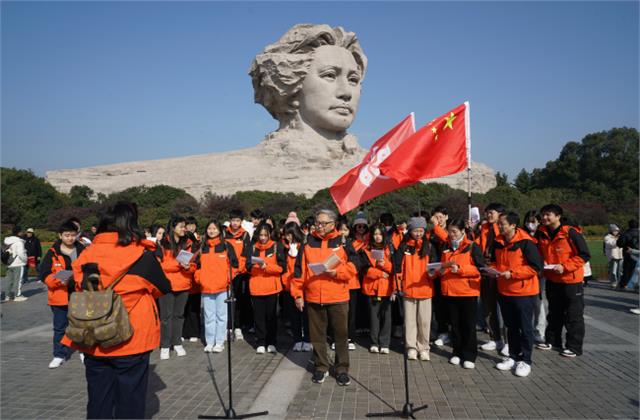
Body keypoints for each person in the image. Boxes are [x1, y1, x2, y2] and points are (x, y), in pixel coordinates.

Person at [60, 202, 171, 419]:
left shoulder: (86, 254)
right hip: (131, 336)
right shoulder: (142, 256)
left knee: (98, 400)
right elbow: (162, 288)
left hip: (93, 335)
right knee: (130, 401)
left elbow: (78, 286)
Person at [290, 209, 359, 386]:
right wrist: (298, 294)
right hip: (313, 297)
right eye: (317, 223)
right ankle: (321, 367)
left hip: (338, 296)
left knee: (341, 335)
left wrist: (337, 272)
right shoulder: (307, 241)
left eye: (323, 223)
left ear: (333, 224)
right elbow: (299, 271)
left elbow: (355, 266)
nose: (319, 226)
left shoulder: (343, 241)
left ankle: (342, 369)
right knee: (317, 335)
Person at [491, 212, 543, 377]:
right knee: (511, 326)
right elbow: (493, 261)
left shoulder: (526, 242)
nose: (499, 226)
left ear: (513, 225)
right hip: (504, 290)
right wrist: (492, 269)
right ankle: (513, 356)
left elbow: (535, 267)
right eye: (499, 224)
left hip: (523, 292)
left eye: (502, 224)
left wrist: (512, 273)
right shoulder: (498, 242)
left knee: (525, 327)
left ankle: (526, 360)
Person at [535, 204, 590, 357]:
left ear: (558, 216)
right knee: (554, 313)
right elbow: (538, 252)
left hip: (571, 280)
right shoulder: (541, 233)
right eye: (543, 214)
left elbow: (584, 255)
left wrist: (565, 267)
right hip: (552, 279)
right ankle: (552, 341)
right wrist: (542, 262)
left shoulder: (570, 233)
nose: (545, 218)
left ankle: (574, 347)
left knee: (573, 315)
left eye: (548, 215)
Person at [434, 218, 484, 369]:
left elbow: (480, 269)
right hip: (449, 291)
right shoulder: (445, 246)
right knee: (454, 325)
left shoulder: (472, 246)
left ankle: (469, 355)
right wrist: (440, 270)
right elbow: (440, 265)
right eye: (449, 231)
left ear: (463, 231)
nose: (451, 234)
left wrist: (461, 269)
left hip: (467, 292)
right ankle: (456, 352)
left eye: (454, 231)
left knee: (468, 325)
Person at [39, 221, 85, 368]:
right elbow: (44, 273)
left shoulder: (82, 249)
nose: (70, 238)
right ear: (60, 235)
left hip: (79, 293)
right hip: (59, 294)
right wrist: (58, 280)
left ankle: (84, 351)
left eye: (73, 235)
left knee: (81, 325)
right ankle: (59, 354)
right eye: (67, 235)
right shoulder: (53, 252)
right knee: (60, 327)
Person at [395, 216, 436, 362]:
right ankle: (411, 347)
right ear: (410, 231)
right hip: (408, 288)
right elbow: (398, 267)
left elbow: (434, 266)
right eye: (415, 231)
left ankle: (424, 347)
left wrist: (433, 273)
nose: (418, 233)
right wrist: (398, 285)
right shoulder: (404, 246)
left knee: (424, 321)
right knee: (410, 320)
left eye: (421, 231)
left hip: (425, 288)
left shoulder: (429, 246)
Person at [195, 220, 238, 353]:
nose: (211, 231)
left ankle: (219, 342)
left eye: (214, 228)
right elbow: (196, 266)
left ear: (220, 230)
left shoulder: (226, 246)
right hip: (206, 287)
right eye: (209, 228)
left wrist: (227, 279)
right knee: (208, 316)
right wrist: (200, 278)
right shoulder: (202, 247)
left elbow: (235, 266)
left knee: (221, 315)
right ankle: (210, 342)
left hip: (222, 287)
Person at [157, 216, 197, 360]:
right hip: (166, 285)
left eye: (184, 226)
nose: (184, 229)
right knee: (166, 317)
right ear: (173, 228)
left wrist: (187, 267)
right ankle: (165, 345)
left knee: (179, 315)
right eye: (181, 226)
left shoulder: (189, 243)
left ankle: (177, 342)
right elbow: (160, 266)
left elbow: (194, 265)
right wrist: (178, 265)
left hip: (183, 284)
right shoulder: (162, 244)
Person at [246, 223, 286, 354]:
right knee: (258, 316)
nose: (262, 238)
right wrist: (256, 267)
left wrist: (267, 267)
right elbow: (247, 266)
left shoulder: (276, 246)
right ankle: (260, 342)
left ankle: (271, 341)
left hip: (271, 287)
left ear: (269, 235)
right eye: (260, 235)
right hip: (256, 286)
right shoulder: (252, 248)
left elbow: (281, 267)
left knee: (271, 316)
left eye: (265, 235)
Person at [475, 203, 507, 354]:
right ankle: (495, 339)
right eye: (487, 212)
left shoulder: (504, 229)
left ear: (501, 213)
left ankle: (508, 342)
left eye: (491, 212)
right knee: (488, 306)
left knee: (505, 309)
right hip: (486, 269)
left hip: (501, 271)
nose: (488, 215)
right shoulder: (484, 228)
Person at [360, 223, 395, 354]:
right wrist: (380, 273)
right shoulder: (365, 249)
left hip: (387, 288)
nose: (377, 237)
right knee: (374, 316)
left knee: (387, 317)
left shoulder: (390, 249)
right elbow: (363, 269)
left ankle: (385, 343)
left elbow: (396, 269)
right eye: (375, 234)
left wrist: (385, 264)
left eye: (380, 234)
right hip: (372, 288)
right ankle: (374, 342)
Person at [282, 221, 311, 352]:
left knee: (306, 315)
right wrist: (285, 280)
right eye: (286, 234)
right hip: (289, 286)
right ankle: (297, 339)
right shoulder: (284, 248)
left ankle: (307, 339)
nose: (288, 237)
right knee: (294, 316)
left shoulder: (304, 247)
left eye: (290, 234)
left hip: (303, 286)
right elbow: (284, 268)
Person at [225, 209, 253, 340]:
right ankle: (228, 327)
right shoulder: (224, 234)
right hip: (227, 273)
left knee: (240, 301)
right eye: (233, 220)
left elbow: (246, 254)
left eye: (237, 220)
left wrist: (238, 270)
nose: (235, 223)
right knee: (227, 301)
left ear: (241, 221)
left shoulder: (245, 235)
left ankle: (238, 327)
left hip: (240, 273)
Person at [523, 210, 546, 343]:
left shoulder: (542, 235)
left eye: (533, 221)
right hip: (526, 273)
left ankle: (539, 330)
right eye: (528, 221)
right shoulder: (523, 234)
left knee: (538, 302)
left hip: (540, 273)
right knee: (526, 303)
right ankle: (528, 329)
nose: (530, 224)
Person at [430, 205, 452, 348]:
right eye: (436, 217)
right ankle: (442, 331)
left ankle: (450, 332)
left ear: (446, 217)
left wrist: (435, 227)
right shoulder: (431, 232)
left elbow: (447, 240)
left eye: (440, 217)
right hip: (434, 271)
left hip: (448, 272)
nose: (438, 220)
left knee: (449, 305)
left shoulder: (451, 230)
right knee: (438, 304)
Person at [182, 217, 202, 343]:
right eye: (187, 225)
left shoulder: (198, 244)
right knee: (183, 308)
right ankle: (184, 332)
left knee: (194, 308)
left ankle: (195, 332)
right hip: (183, 280)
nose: (190, 227)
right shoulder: (180, 245)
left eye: (192, 225)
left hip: (194, 280)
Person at [2, 226, 27, 302]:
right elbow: (21, 253)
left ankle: (7, 296)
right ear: (18, 232)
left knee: (9, 280)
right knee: (18, 280)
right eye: (21, 231)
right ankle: (17, 295)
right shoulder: (19, 242)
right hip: (18, 263)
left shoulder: (7, 241)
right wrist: (25, 260)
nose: (22, 233)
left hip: (9, 263)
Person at [617, 219, 639, 290]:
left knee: (627, 270)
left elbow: (619, 244)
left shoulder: (626, 233)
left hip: (629, 253)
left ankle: (623, 285)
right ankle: (636, 286)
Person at [604, 224, 623, 288]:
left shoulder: (619, 236)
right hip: (613, 256)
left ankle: (620, 282)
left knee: (620, 270)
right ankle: (614, 282)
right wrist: (618, 240)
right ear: (611, 231)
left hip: (620, 255)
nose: (616, 232)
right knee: (613, 271)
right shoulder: (607, 237)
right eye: (614, 231)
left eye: (617, 231)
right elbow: (611, 244)